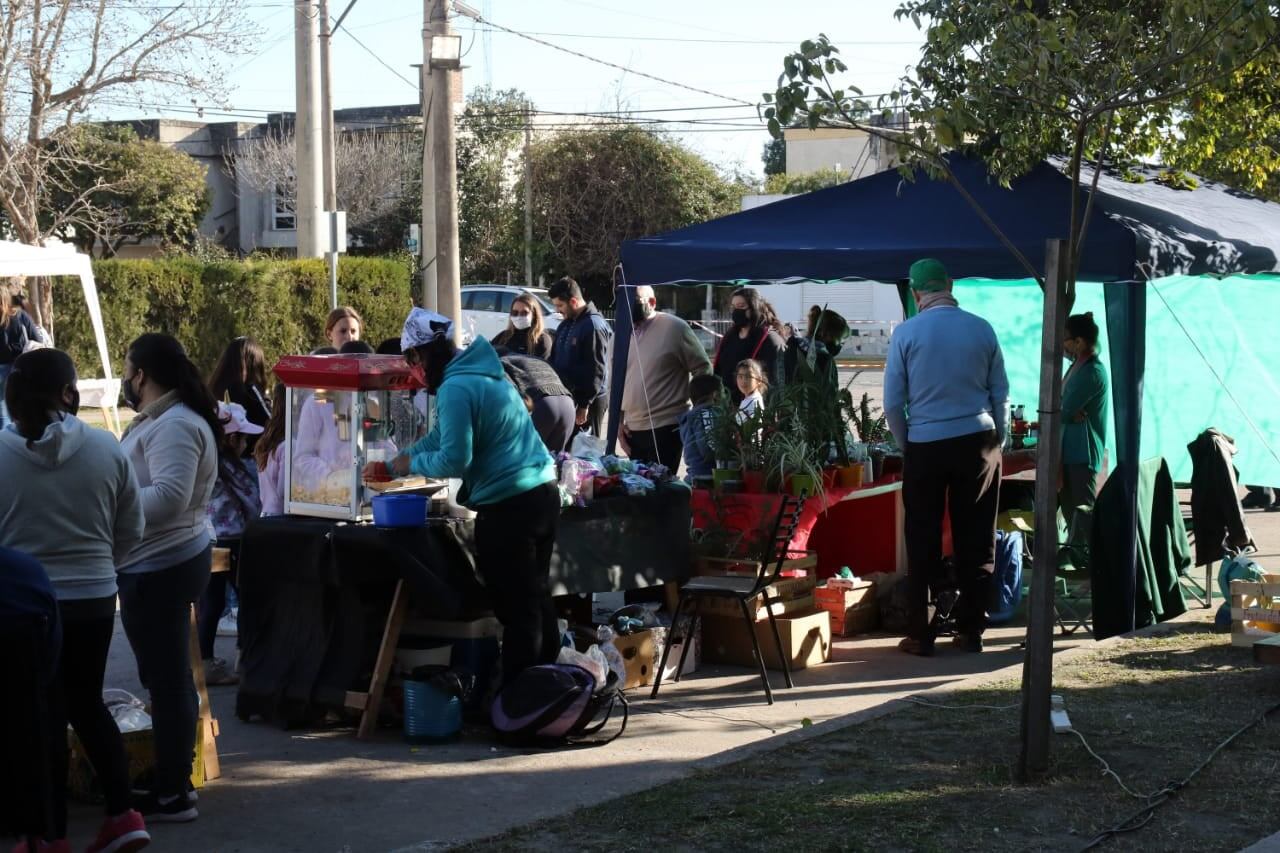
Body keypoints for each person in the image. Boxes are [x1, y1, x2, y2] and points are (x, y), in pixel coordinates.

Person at [0, 349, 151, 853]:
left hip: (21, 609)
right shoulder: (107, 448)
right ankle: (124, 814)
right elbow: (132, 530)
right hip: (92, 596)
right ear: (69, 393)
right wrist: (100, 567)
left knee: (36, 717)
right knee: (87, 703)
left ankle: (49, 836)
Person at [369, 309, 559, 685]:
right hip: (541, 493)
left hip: (510, 506)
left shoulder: (456, 388)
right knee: (535, 598)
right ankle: (548, 688)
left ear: (423, 355)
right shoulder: (480, 373)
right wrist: (396, 465)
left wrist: (409, 464)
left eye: (412, 361)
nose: (414, 372)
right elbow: (441, 439)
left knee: (517, 609)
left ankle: (522, 700)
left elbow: (455, 458)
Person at [117, 333, 220, 823]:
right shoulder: (166, 419)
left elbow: (168, 498)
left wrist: (108, 508)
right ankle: (173, 780)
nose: (125, 378)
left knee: (167, 681)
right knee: (167, 677)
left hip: (163, 562)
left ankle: (173, 790)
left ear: (144, 375)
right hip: (156, 560)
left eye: (128, 369)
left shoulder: (176, 425)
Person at [883, 259, 1009, 657]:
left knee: (922, 537)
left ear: (916, 293)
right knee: (977, 536)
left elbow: (891, 405)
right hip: (978, 439)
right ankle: (972, 630)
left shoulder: (906, 333)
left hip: (925, 442)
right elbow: (1000, 394)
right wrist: (998, 439)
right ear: (951, 285)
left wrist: (909, 445)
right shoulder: (981, 327)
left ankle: (921, 634)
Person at [198, 403, 263, 686]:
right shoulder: (239, 469)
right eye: (244, 437)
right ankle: (245, 659)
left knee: (210, 603)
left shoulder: (206, 465)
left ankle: (205, 662)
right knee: (248, 599)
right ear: (232, 439)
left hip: (209, 541)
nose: (247, 442)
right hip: (236, 542)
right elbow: (255, 503)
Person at [619, 285, 711, 469]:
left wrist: (696, 412)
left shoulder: (675, 328)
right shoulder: (621, 334)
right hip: (632, 429)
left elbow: (703, 369)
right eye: (624, 300)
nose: (628, 305)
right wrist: (618, 423)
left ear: (652, 302)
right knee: (639, 489)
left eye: (635, 300)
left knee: (663, 491)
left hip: (667, 426)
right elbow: (616, 381)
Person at [1060, 312, 1110, 529]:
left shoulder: (1091, 372)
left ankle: (1089, 560)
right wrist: (1064, 411)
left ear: (1079, 342)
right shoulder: (1077, 367)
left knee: (1083, 513)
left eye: (1065, 340)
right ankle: (1074, 557)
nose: (1062, 346)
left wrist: (1063, 411)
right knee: (1071, 512)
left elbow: (1061, 410)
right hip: (1071, 451)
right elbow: (1063, 408)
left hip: (1083, 453)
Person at [547, 277, 612, 436]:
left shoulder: (593, 325)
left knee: (583, 454)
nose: (557, 310)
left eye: (560, 305)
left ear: (574, 302)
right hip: (568, 397)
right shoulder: (567, 323)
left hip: (589, 401)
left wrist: (584, 405)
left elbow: (596, 369)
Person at [713, 287, 785, 404]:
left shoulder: (769, 339)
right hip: (727, 408)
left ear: (754, 308)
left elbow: (774, 381)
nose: (736, 311)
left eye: (741, 306)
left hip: (754, 409)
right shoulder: (730, 336)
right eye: (734, 307)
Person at [497, 349, 577, 454]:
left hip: (543, 405)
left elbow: (511, 396)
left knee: (526, 459)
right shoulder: (534, 359)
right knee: (556, 462)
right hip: (568, 405)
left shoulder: (501, 363)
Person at [208, 336, 270, 455]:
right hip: (248, 458)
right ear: (255, 365)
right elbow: (271, 423)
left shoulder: (214, 389)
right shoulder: (249, 390)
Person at [0, 281, 42, 429]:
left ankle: (4, 439)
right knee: (21, 404)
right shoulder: (20, 316)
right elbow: (37, 339)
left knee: (2, 408)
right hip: (21, 365)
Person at [785, 305, 849, 388]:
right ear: (826, 335)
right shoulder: (825, 360)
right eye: (838, 339)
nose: (838, 344)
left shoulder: (793, 347)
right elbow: (829, 396)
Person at [680, 374, 723, 480]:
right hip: (706, 476)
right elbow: (708, 447)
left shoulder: (690, 416)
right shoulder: (706, 413)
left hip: (695, 474)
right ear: (715, 395)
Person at [255, 382, 289, 516]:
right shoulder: (287, 445)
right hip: (281, 519)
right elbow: (284, 490)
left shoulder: (267, 441)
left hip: (266, 513)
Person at [492, 293, 554, 359]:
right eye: (515, 313)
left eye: (524, 313)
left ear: (534, 315)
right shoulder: (503, 336)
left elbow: (540, 366)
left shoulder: (542, 340)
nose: (519, 316)